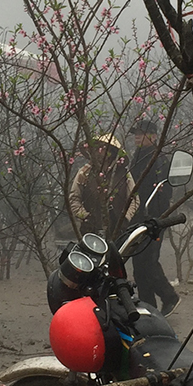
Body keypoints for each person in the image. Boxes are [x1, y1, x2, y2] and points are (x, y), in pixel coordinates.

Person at [127, 120, 180, 314]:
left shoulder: (160, 159)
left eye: (142, 133)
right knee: (138, 264)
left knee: (149, 261)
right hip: (136, 219)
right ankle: (148, 307)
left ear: (154, 135)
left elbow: (164, 192)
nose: (137, 136)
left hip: (154, 219)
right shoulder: (136, 158)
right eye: (136, 133)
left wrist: (156, 218)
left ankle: (169, 296)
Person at [67, 133, 137, 237]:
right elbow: (74, 198)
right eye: (96, 148)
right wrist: (86, 217)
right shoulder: (84, 172)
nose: (98, 151)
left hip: (118, 231)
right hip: (92, 231)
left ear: (112, 152)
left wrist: (125, 218)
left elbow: (134, 199)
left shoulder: (124, 173)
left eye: (102, 148)